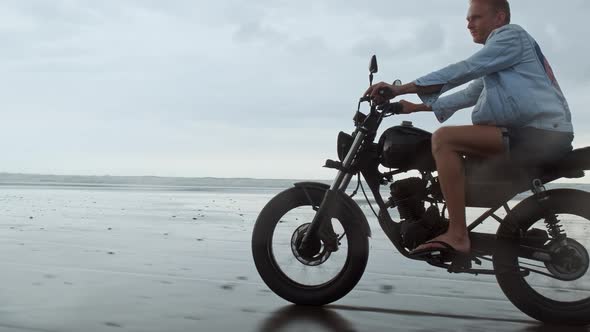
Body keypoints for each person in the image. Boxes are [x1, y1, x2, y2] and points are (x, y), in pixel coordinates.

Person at [364, 0, 574, 256]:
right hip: (538, 132)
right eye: (467, 19)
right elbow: (469, 93)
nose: (468, 24)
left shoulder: (510, 36)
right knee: (449, 143)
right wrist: (412, 107)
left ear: (499, 17)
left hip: (540, 134)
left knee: (444, 139)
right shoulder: (501, 59)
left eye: (475, 17)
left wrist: (400, 87)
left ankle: (457, 234)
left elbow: (464, 69)